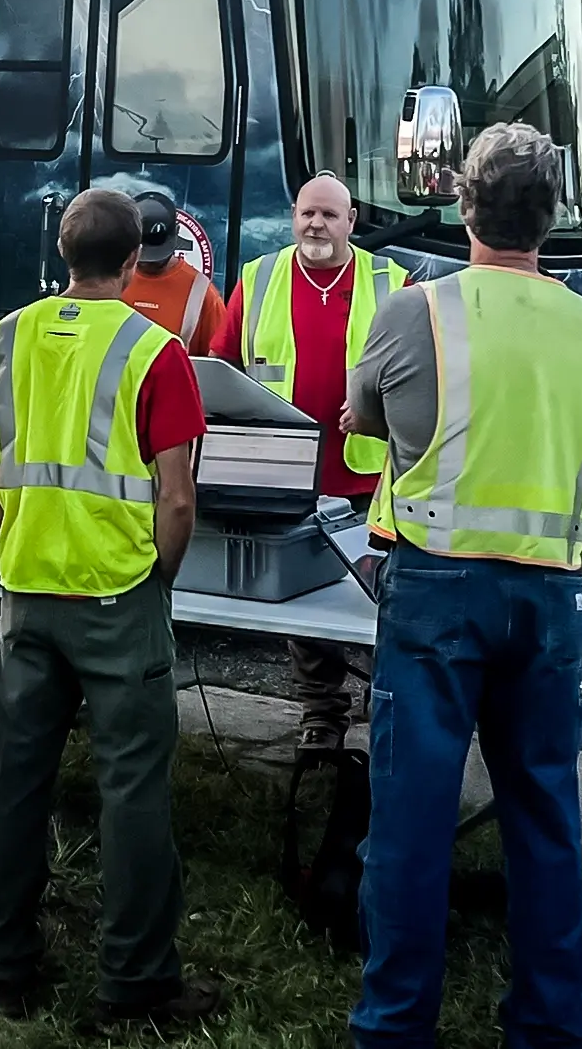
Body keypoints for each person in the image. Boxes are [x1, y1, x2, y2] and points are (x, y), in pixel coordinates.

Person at [345, 125, 582, 1049]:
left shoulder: (416, 312)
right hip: (552, 596)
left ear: (463, 205)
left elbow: (362, 419)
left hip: (436, 586)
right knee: (544, 810)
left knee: (413, 820)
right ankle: (551, 1019)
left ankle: (396, 1027)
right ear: (552, 217)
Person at [0, 188, 217, 1025]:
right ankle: (134, 982)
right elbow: (176, 500)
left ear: (65, 252)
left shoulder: (6, 337)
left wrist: (17, 533)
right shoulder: (155, 351)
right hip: (118, 597)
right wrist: (157, 580)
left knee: (13, 781)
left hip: (27, 595)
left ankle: (0, 960)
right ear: (136, 252)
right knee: (133, 789)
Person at [214, 172, 407, 752]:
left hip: (368, 474)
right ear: (293, 217)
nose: (316, 225)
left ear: (352, 222)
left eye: (328, 215)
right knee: (303, 606)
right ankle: (321, 715)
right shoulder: (259, 277)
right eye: (306, 214)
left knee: (383, 600)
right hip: (285, 472)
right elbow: (221, 367)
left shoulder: (392, 282)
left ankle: (391, 709)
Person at [121, 192, 226, 352]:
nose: (149, 264)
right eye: (143, 256)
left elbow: (218, 364)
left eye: (156, 256)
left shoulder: (202, 295)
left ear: (177, 233)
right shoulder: (110, 279)